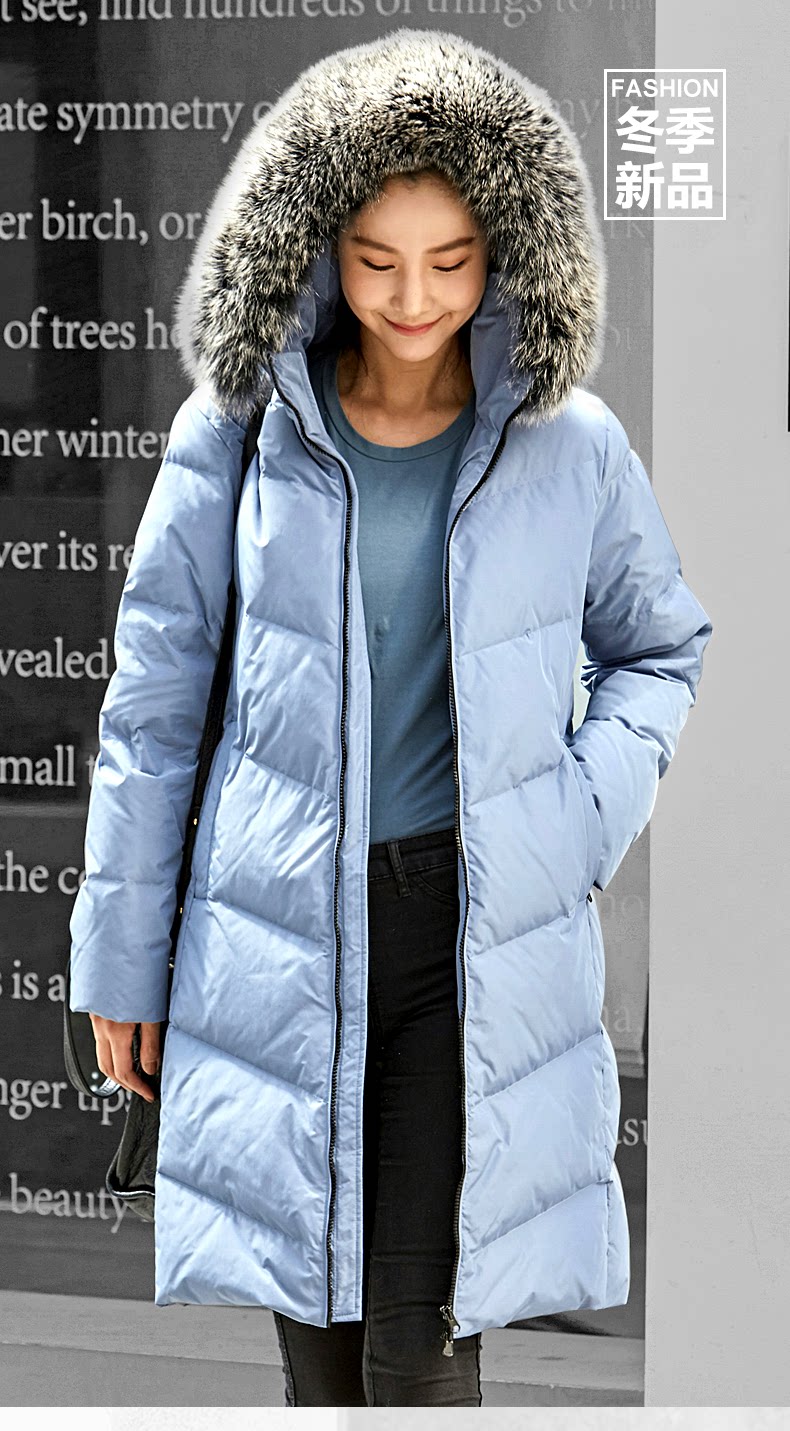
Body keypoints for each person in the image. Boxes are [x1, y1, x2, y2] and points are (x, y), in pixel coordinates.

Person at [68, 27, 713, 1408]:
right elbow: (155, 706)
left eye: (451, 260)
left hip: (466, 938)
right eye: (374, 260)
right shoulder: (235, 433)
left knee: (419, 1351)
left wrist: (573, 816)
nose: (413, 298)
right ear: (316, 249)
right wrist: (121, 959)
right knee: (321, 1354)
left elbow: (660, 650)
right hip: (276, 931)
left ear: (507, 253)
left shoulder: (570, 445)